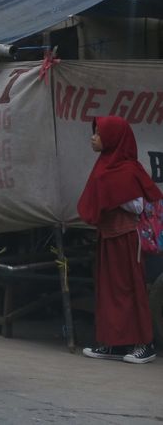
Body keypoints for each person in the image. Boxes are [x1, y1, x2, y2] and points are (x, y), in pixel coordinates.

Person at [78, 116, 161, 364]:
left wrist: (110, 191)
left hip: (126, 237)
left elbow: (137, 206)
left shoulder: (127, 169)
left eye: (98, 133)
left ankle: (144, 344)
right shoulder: (105, 165)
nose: (93, 138)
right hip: (108, 235)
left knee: (130, 288)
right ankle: (114, 343)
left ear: (113, 138)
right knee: (109, 291)